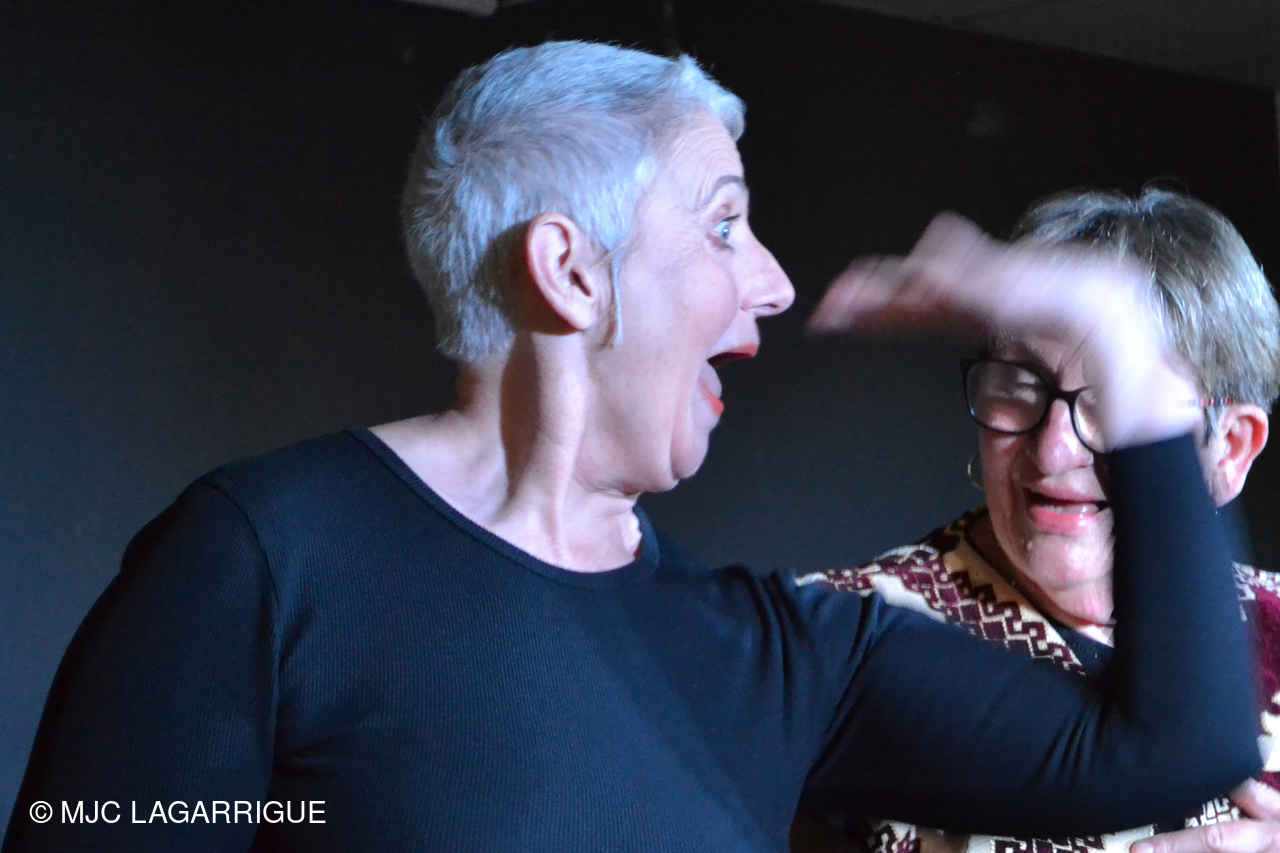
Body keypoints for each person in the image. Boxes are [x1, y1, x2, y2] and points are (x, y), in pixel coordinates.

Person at [2, 44, 1261, 852]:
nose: (771, 282)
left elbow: (1174, 748)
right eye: (722, 226)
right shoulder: (265, 560)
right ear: (569, 270)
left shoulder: (783, 656)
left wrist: (1112, 336)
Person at [792, 188, 1280, 853]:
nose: (1053, 451)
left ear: (1231, 449)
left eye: (1113, 404)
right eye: (1021, 386)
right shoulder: (836, 642)